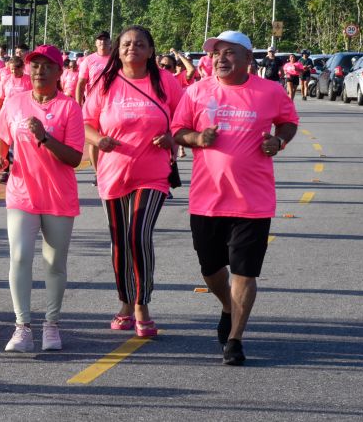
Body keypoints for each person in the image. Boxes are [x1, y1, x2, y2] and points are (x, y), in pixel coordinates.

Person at [171, 30, 299, 366]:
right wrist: (197, 138)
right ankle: (228, 306)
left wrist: (278, 141)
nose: (220, 59)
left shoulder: (269, 91)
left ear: (247, 59)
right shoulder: (197, 91)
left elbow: (288, 122)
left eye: (228, 53)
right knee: (211, 269)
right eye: (216, 53)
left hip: (252, 201)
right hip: (207, 199)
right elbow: (177, 130)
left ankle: (235, 340)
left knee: (244, 271)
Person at [83, 26, 183, 338]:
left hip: (153, 174)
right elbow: (85, 123)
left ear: (151, 51)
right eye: (126, 43)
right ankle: (125, 302)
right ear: (118, 49)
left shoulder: (165, 81)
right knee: (119, 242)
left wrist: (172, 137)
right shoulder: (105, 82)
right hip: (113, 173)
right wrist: (99, 140)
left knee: (138, 235)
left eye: (140, 44)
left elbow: (185, 118)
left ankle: (142, 304)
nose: (132, 48)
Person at [0, 44, 84, 352]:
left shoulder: (69, 108)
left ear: (59, 72)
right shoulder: (15, 102)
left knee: (54, 263)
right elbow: (1, 137)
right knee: (19, 257)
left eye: (47, 66)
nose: (39, 70)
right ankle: (22, 327)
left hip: (58, 196)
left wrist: (45, 137)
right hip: (22, 193)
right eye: (35, 65)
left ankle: (51, 325)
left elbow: (74, 158)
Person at [75, 31, 112, 186]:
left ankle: (112, 170)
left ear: (110, 42)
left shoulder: (116, 59)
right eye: (99, 40)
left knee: (112, 136)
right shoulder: (89, 60)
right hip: (92, 104)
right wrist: (78, 105)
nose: (102, 42)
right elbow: (81, 84)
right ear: (96, 43)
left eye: (105, 40)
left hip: (113, 103)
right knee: (94, 139)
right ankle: (98, 173)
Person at [0, 56, 32, 184]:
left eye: (16, 69)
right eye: (11, 69)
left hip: (23, 117)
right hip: (7, 116)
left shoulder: (28, 80)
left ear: (22, 68)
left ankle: (20, 169)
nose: (13, 72)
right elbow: (0, 99)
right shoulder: (6, 80)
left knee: (19, 145)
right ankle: (5, 171)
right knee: (5, 143)